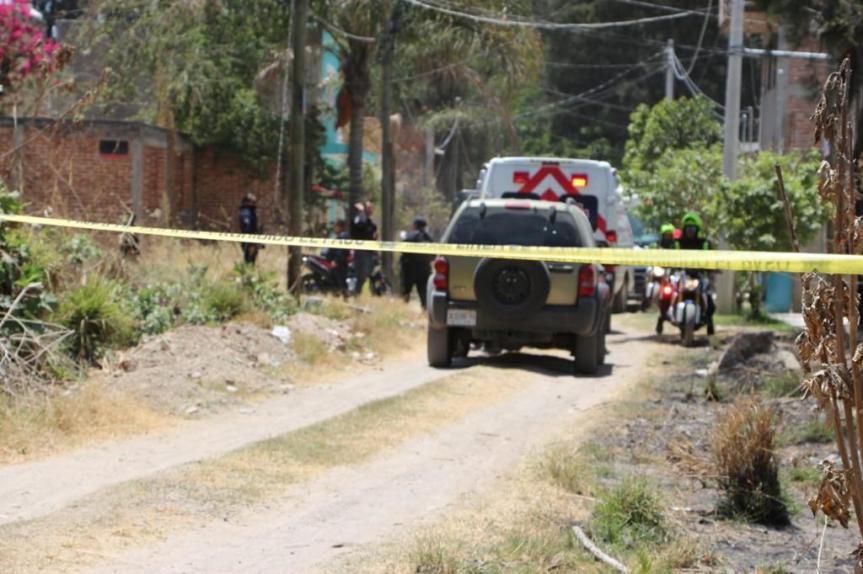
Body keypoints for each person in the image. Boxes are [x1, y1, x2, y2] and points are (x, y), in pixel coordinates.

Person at [674, 211, 715, 334]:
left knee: (709, 300)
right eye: (688, 228)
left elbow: (710, 259)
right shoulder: (678, 243)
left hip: (699, 275)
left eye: (692, 228)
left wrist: (711, 268)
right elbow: (672, 257)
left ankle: (709, 322)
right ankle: (668, 315)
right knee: (671, 293)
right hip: (683, 275)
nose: (690, 231)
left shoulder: (704, 243)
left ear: (697, 229)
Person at [400, 217, 434, 308]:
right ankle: (424, 309)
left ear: (415, 225)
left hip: (410, 268)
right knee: (423, 291)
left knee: (406, 290)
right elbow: (433, 254)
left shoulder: (409, 236)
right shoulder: (429, 238)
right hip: (424, 269)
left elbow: (403, 250)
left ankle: (403, 308)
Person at [351, 201, 378, 294]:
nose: (371, 210)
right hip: (361, 251)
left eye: (372, 208)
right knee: (360, 275)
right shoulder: (359, 218)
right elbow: (359, 224)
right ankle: (355, 292)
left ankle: (357, 292)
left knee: (367, 273)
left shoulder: (370, 223)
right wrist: (362, 212)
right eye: (369, 208)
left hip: (369, 252)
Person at [323, 219, 350, 293]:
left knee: (340, 280)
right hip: (338, 262)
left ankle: (344, 295)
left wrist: (336, 261)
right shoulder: (340, 235)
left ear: (340, 227)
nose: (334, 228)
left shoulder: (343, 236)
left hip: (340, 263)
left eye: (336, 227)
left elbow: (340, 250)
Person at [239, 193, 261, 265]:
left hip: (253, 238)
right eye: (253, 201)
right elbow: (247, 227)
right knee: (249, 260)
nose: (255, 203)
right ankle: (248, 274)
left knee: (252, 260)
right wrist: (250, 243)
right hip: (250, 240)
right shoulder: (246, 212)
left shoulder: (251, 211)